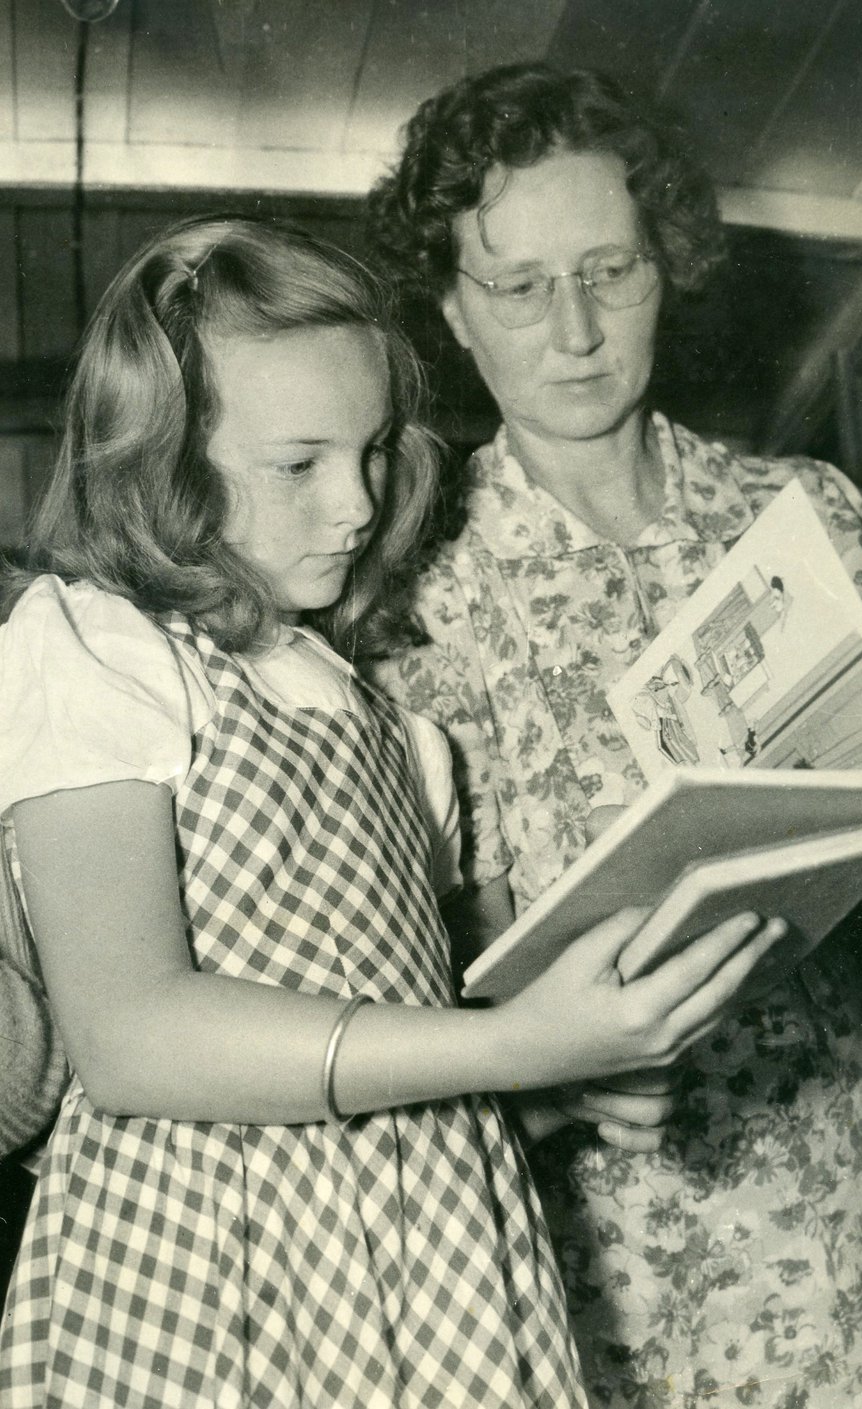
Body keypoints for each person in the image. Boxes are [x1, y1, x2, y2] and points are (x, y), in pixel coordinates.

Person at [0, 215, 788, 1409]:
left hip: (433, 1273)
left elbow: (402, 1072)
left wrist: (549, 1085)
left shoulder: (396, 732)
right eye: (298, 462)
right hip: (211, 1271)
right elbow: (130, 1035)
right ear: (160, 459)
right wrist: (512, 1044)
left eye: (373, 450)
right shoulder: (95, 648)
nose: (359, 502)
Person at [367, 63, 862, 1408]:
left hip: (834, 1198)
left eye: (613, 269)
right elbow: (415, 993)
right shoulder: (408, 590)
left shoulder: (807, 518)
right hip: (589, 1235)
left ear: (669, 265)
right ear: (453, 313)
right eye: (522, 287)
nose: (577, 327)